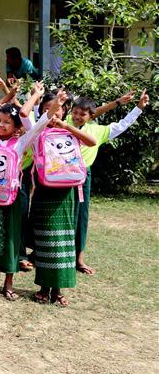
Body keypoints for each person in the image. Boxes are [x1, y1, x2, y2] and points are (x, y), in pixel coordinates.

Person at [0, 83, 47, 300]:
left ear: (17, 127)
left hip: (10, 199)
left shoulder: (21, 142)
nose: (2, 125)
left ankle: (9, 284)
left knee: (12, 239)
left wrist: (36, 97)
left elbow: (39, 124)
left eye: (7, 122)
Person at [66, 90, 147, 275]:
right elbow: (89, 111)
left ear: (90, 116)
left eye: (82, 114)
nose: (77, 116)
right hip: (60, 176)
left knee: (82, 216)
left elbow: (122, 125)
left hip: (82, 177)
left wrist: (139, 108)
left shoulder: (98, 130)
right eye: (75, 112)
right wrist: (117, 102)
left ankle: (79, 258)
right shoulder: (65, 122)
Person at [31, 91, 97, 306]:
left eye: (59, 108)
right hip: (44, 190)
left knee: (63, 241)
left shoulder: (71, 130)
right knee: (45, 241)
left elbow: (92, 142)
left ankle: (58, 290)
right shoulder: (38, 131)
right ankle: (43, 288)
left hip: (66, 192)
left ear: (65, 111)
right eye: (48, 108)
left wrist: (67, 126)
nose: (53, 112)